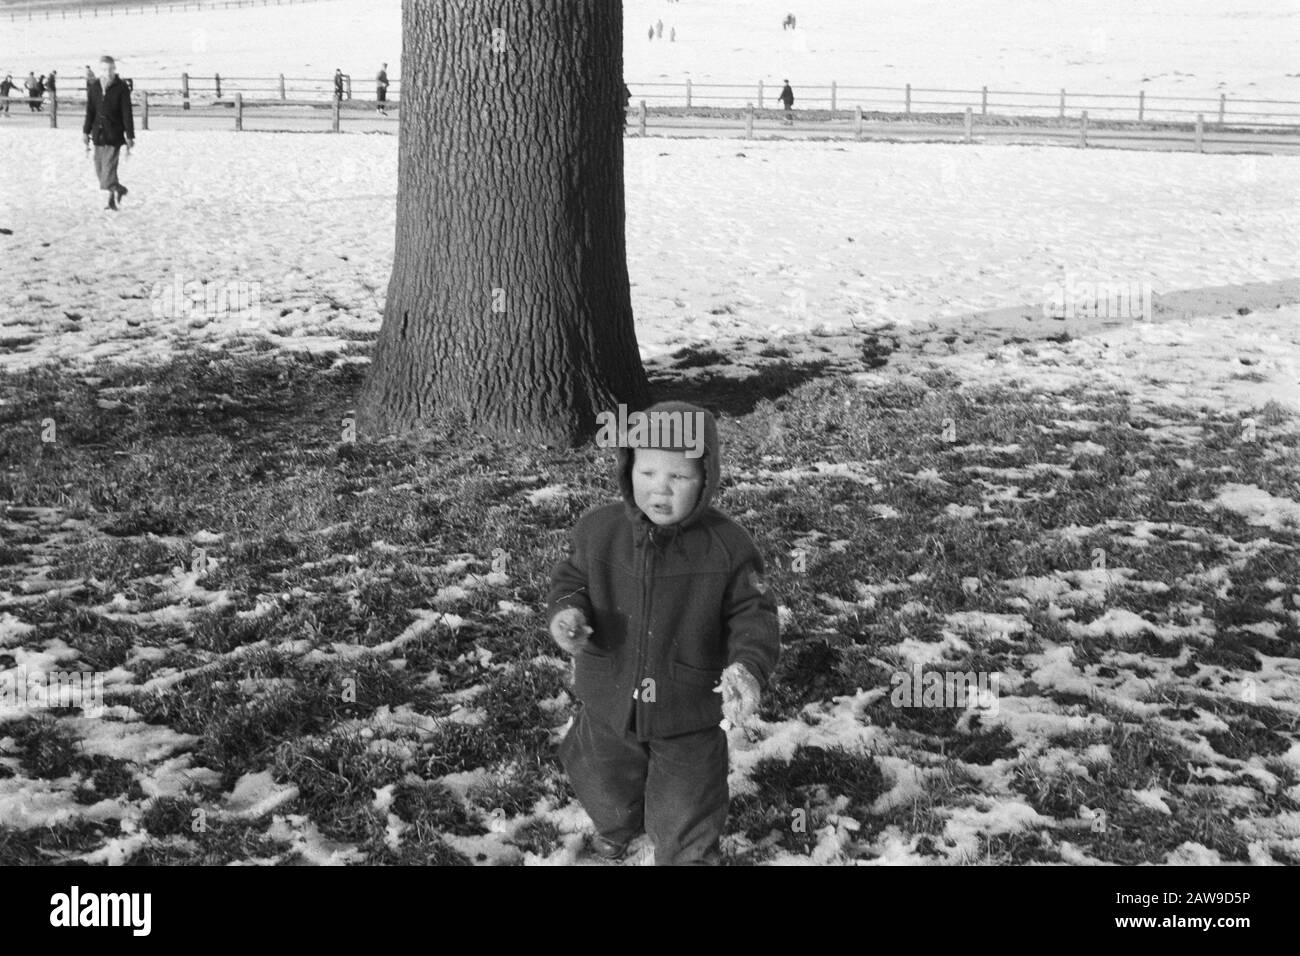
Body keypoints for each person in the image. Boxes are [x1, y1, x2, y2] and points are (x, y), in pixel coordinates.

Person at [547, 401, 780, 865]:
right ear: (628, 468)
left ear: (707, 479)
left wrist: (748, 667)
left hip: (687, 709)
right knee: (600, 778)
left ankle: (686, 855)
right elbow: (571, 579)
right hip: (608, 696)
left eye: (679, 477)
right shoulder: (599, 532)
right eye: (648, 472)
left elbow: (754, 615)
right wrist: (567, 612)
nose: (661, 490)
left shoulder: (728, 547)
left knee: (686, 806)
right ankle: (619, 826)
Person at [83, 55, 135, 212]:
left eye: (111, 69)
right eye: (105, 69)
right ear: (100, 70)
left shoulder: (121, 88)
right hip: (98, 134)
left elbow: (127, 113)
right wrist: (86, 131)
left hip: (114, 134)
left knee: (108, 170)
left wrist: (130, 135)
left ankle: (116, 189)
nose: (108, 72)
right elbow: (90, 111)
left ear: (115, 69)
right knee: (100, 171)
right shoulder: (95, 87)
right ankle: (115, 192)